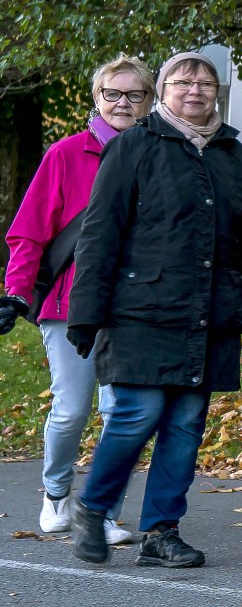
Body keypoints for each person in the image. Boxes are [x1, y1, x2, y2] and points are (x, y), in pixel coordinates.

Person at [66, 51, 242, 568]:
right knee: (137, 413)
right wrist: (86, 314)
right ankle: (92, 508)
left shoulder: (232, 154)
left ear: (217, 92)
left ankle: (161, 532)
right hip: (142, 310)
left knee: (186, 422)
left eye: (205, 82)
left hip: (211, 312)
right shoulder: (134, 148)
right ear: (163, 91)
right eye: (183, 81)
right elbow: (100, 235)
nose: (195, 90)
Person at [2, 56, 153, 547]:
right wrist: (15, 293)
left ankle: (101, 512)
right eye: (113, 93)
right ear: (97, 98)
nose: (122, 103)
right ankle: (55, 491)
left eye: (134, 95)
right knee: (71, 410)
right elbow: (28, 233)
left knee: (119, 413)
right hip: (69, 306)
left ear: (150, 101)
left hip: (133, 309)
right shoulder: (66, 155)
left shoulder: (160, 155)